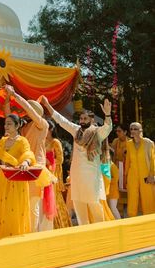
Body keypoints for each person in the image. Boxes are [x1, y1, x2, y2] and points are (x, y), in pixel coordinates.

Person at [40, 96, 112, 225]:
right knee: (79, 206)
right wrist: (47, 105)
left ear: (92, 120)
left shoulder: (97, 133)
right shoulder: (76, 131)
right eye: (81, 119)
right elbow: (61, 120)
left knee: (94, 204)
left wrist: (107, 114)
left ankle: (101, 230)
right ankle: (84, 233)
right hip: (77, 174)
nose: (82, 121)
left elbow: (107, 128)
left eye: (85, 119)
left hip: (91, 175)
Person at [4, 85, 48, 232]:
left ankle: (33, 235)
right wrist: (7, 100)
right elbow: (9, 121)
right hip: (23, 166)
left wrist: (15, 95)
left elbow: (29, 111)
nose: (26, 112)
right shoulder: (24, 128)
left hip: (35, 168)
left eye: (29, 109)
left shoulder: (42, 124)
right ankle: (25, 232)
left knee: (33, 203)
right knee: (24, 202)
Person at [0, 113, 36, 238]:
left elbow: (28, 154)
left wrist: (25, 162)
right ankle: (3, 235)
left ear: (17, 126)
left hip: (17, 178)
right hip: (4, 177)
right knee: (4, 206)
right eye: (5, 124)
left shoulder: (22, 141)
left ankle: (17, 235)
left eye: (9, 124)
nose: (6, 126)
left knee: (16, 207)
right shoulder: (3, 141)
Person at [45, 120, 71, 230]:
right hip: (44, 172)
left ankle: (60, 225)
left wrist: (49, 162)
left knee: (55, 199)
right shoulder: (42, 141)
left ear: (51, 129)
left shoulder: (55, 142)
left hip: (53, 173)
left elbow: (60, 159)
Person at [125, 122, 155, 217]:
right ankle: (131, 219)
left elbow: (153, 160)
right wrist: (126, 176)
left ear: (141, 130)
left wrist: (152, 175)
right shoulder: (129, 144)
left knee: (148, 198)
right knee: (132, 198)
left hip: (146, 175)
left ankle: (150, 220)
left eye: (135, 129)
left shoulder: (148, 143)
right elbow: (128, 161)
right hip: (132, 175)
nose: (133, 131)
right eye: (131, 129)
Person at [111, 124, 130, 190]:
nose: (117, 133)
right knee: (116, 184)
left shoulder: (130, 142)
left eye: (119, 131)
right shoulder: (115, 141)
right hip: (116, 165)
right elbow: (112, 154)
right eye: (116, 131)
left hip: (126, 166)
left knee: (125, 185)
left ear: (125, 132)